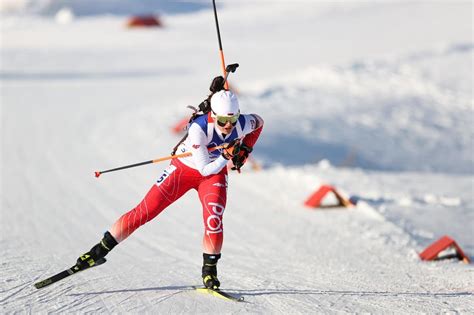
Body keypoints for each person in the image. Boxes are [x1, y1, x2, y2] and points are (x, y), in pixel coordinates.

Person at [75, 78, 264, 290]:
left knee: (214, 219)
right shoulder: (199, 128)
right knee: (145, 211)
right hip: (185, 170)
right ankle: (99, 251)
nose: (228, 126)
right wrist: (227, 156)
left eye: (233, 120)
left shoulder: (243, 122)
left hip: (214, 177)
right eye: (222, 121)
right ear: (213, 115)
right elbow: (203, 169)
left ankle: (209, 272)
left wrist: (246, 150)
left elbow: (259, 122)